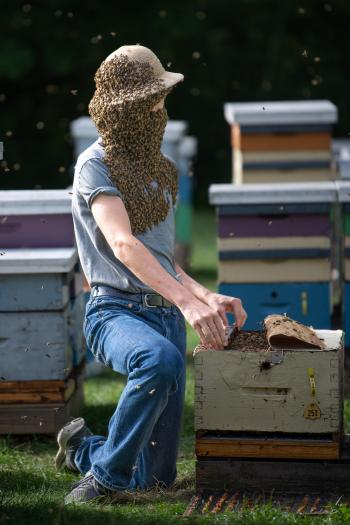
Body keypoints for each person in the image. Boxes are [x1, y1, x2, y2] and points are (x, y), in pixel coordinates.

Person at [55, 44, 247, 504]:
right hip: (114, 310)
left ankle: (83, 448)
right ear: (125, 106)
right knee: (157, 361)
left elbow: (162, 259)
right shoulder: (94, 165)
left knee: (153, 480)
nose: (160, 108)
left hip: (163, 317)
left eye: (162, 98)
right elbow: (123, 244)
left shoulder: (161, 168)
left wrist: (203, 295)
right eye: (152, 99)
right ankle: (101, 482)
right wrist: (187, 304)